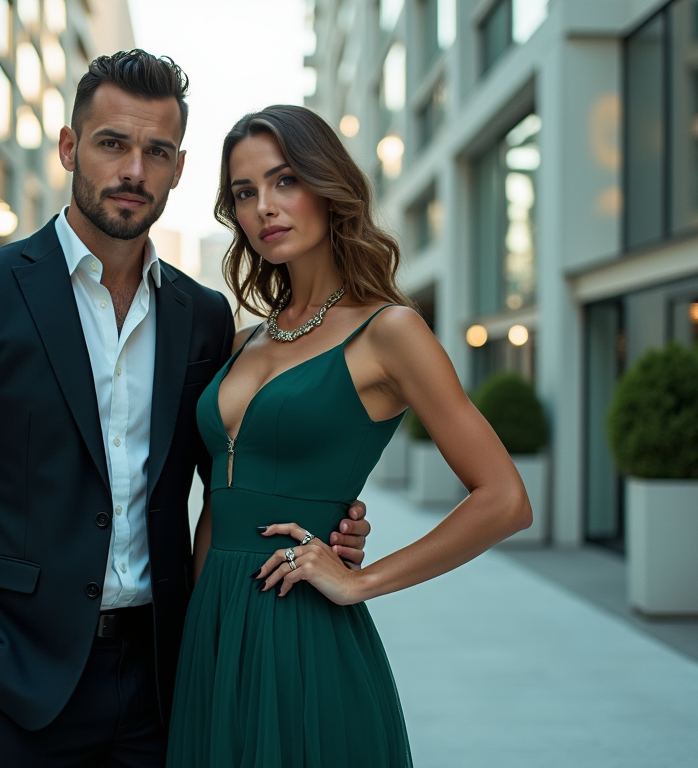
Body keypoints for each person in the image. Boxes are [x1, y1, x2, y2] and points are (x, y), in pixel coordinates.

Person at [0, 52, 372, 768]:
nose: (133, 171)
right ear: (69, 147)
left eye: (157, 152)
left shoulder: (203, 318)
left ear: (179, 168)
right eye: (113, 143)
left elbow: (235, 476)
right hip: (16, 684)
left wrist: (329, 521)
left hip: (163, 681)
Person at [166, 105, 533, 767]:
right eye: (245, 193)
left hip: (302, 633)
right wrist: (194, 638)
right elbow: (218, 508)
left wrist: (361, 581)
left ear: (327, 186)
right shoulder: (241, 340)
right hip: (211, 633)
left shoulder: (390, 332)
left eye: (284, 182)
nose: (264, 208)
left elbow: (504, 498)